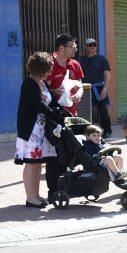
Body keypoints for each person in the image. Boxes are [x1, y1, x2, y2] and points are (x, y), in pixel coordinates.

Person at [45, 34, 84, 201]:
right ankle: (53, 191)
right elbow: (42, 87)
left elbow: (81, 84)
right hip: (53, 116)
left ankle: (65, 188)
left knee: (68, 153)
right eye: (72, 45)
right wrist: (54, 91)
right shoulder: (49, 64)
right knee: (54, 155)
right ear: (61, 48)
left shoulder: (74, 64)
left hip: (71, 115)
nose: (75, 48)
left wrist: (80, 94)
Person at [16, 52, 58, 208]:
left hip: (41, 129)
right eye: (48, 69)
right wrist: (53, 114)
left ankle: (36, 195)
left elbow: (49, 102)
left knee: (38, 162)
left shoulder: (42, 83)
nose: (50, 72)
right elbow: (38, 105)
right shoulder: (29, 83)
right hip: (31, 130)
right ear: (40, 69)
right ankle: (30, 197)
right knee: (31, 163)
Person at [79, 38, 112, 137]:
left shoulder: (102, 59)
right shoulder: (81, 60)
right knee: (86, 112)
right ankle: (88, 132)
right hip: (86, 88)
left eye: (94, 44)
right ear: (85, 46)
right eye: (90, 45)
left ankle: (107, 130)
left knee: (103, 111)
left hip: (100, 88)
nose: (92, 46)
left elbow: (107, 74)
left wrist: (105, 89)